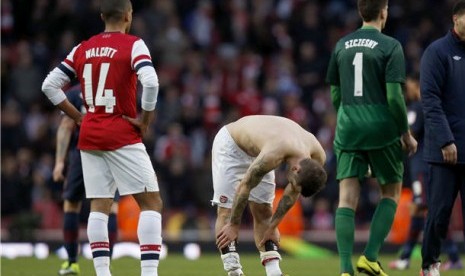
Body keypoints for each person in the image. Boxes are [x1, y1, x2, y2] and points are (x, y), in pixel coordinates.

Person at [41, 1, 163, 275]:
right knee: (152, 203)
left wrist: (77, 116)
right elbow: (152, 82)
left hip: (90, 135)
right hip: (121, 132)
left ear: (101, 16)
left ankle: (102, 273)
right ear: (128, 16)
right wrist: (145, 120)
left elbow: (49, 85)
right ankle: (149, 273)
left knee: (99, 204)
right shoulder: (134, 44)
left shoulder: (82, 48)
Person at [325, 0, 418, 275]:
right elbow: (394, 97)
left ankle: (345, 269)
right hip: (381, 129)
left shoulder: (341, 45)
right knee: (390, 191)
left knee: (346, 198)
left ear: (359, 12)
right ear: (383, 12)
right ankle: (370, 256)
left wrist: (347, 119)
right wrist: (406, 133)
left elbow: (335, 94)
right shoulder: (391, 46)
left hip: (348, 128)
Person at [214, 115, 328, 276]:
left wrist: (273, 226)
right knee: (226, 211)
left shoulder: (317, 158)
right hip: (232, 145)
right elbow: (244, 186)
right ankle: (234, 271)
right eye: (294, 184)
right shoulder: (273, 155)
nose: (292, 187)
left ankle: (274, 273)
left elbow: (294, 190)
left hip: (261, 148)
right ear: (296, 170)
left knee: (264, 212)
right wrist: (234, 224)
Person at [389, 75, 463, 272]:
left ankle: (452, 255)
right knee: (422, 210)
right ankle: (407, 256)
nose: (408, 91)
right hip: (422, 166)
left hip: (422, 167)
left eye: (411, 86)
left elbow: (409, 135)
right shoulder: (429, 107)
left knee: (428, 210)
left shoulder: (420, 107)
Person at [53, 85, 120, 275]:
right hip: (109, 153)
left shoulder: (75, 93)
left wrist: (59, 162)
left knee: (71, 205)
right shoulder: (112, 88)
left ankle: (72, 262)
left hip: (81, 152)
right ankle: (107, 262)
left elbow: (66, 126)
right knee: (109, 207)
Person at [420, 1, 465, 275]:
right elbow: (430, 100)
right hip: (444, 152)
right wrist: (446, 140)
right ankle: (429, 265)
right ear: (456, 18)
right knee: (439, 214)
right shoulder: (437, 52)